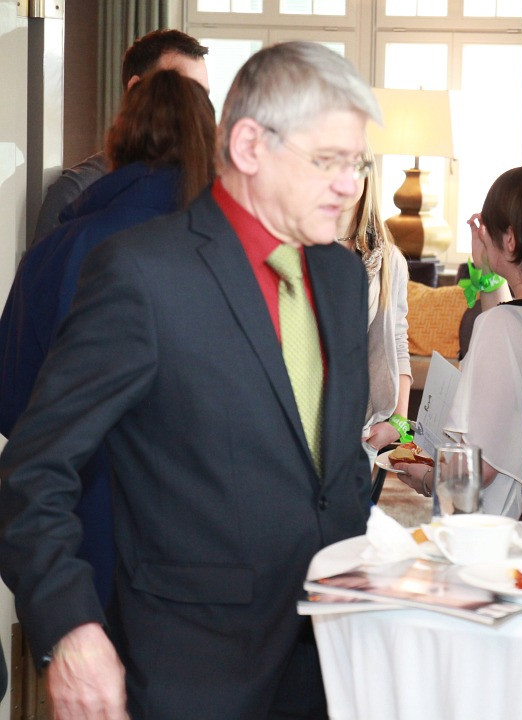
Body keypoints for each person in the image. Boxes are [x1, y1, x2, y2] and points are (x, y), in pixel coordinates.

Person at [0, 41, 379, 720]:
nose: (350, 185)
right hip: (193, 675)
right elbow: (32, 471)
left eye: (356, 163)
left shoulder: (344, 278)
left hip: (334, 665)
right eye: (328, 161)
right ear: (249, 146)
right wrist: (71, 628)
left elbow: (335, 467)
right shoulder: (144, 274)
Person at [0, 69, 216, 611]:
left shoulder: (56, 249)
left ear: (117, 140)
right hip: (201, 541)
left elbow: (12, 404)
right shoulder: (225, 253)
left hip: (75, 533)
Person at [396, 166, 522, 518]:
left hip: (487, 522)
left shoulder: (499, 327)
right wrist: (487, 273)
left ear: (511, 239)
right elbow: (509, 315)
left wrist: (426, 478)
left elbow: (480, 467)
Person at [32, 29, 209, 246]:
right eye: (185, 92)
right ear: (136, 88)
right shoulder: (74, 191)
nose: (198, 110)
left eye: (203, 96)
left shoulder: (207, 189)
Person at [335, 149, 412, 458]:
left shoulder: (388, 260)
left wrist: (399, 423)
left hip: (360, 427)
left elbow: (397, 341)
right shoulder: (294, 248)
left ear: (368, 175)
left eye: (352, 166)